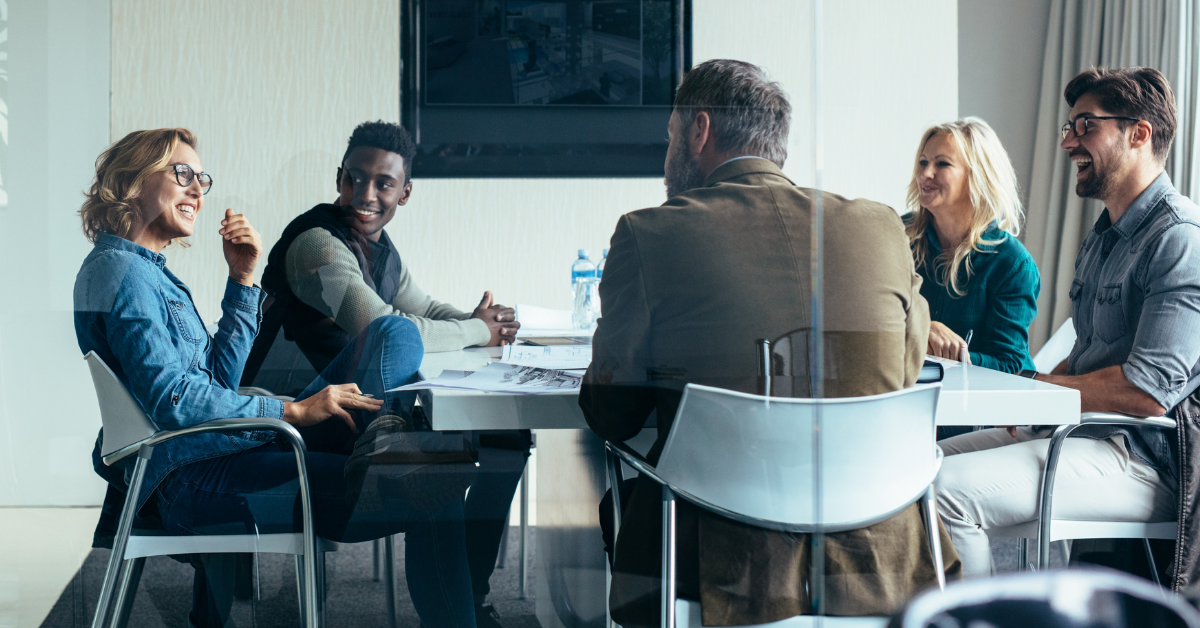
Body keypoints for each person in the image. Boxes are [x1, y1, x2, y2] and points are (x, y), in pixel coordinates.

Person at [580, 59, 960, 627]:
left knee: (618, 492)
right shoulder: (881, 227)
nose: (667, 156)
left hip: (718, 563)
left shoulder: (649, 233)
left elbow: (612, 411)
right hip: (878, 551)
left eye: (670, 138)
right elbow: (903, 374)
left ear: (700, 130)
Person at [74, 128, 478, 628]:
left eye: (201, 178)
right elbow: (174, 400)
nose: (198, 189)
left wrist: (242, 281)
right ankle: (385, 451)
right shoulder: (123, 273)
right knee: (432, 488)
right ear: (133, 180)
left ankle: (383, 446)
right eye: (182, 174)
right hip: (201, 480)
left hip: (224, 452)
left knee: (393, 334)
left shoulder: (144, 271)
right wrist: (290, 411)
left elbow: (217, 384)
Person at [245, 120, 529, 624]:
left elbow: (421, 306)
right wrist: (473, 332)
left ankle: (474, 596)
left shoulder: (379, 246)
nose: (365, 194)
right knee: (435, 468)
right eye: (355, 179)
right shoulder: (318, 245)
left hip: (344, 411)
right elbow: (385, 325)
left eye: (384, 184)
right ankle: (460, 605)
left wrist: (479, 321)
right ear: (339, 178)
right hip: (288, 418)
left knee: (506, 435)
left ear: (406, 192)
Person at [936, 67, 1199, 578]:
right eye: (1068, 127)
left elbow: (1145, 391)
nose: (1067, 142)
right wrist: (1035, 397)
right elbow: (1084, 354)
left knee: (946, 494)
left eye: (1085, 126)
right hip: (1082, 434)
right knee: (914, 470)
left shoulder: (1180, 241)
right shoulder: (1102, 239)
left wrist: (1035, 388)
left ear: (1138, 134)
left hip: (1144, 460)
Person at [905, 117, 1040, 374]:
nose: (925, 174)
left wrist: (950, 355)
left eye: (942, 164)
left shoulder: (1012, 264)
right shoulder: (899, 236)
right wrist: (922, 329)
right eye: (923, 162)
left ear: (978, 176)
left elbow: (1009, 364)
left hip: (981, 403)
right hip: (911, 394)